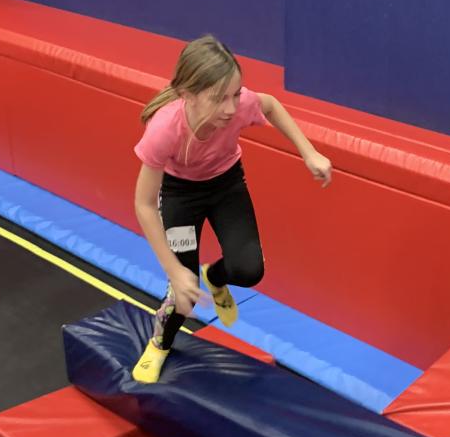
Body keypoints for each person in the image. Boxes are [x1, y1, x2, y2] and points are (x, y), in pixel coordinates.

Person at [131, 34, 331, 382]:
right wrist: (174, 270)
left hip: (226, 185)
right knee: (183, 296)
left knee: (249, 269)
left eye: (235, 95)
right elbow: (144, 204)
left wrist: (309, 152)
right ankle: (160, 343)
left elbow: (271, 106)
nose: (230, 108)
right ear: (188, 95)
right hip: (181, 195)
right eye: (218, 99)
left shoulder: (240, 105)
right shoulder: (165, 128)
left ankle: (215, 276)